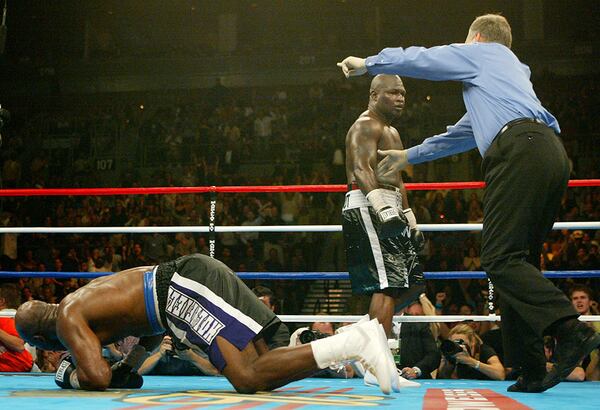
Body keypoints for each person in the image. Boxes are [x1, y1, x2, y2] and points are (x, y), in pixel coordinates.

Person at [337, 13, 600, 392]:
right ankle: (529, 368)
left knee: (498, 257)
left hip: (520, 152)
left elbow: (424, 58)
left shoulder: (483, 52)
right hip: (549, 155)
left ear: (475, 39)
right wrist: (409, 156)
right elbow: (462, 134)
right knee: (518, 260)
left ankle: (569, 329)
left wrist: (370, 63)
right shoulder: (508, 77)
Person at [15, 254, 398, 394]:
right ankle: (355, 341)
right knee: (270, 361)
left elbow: (96, 378)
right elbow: (148, 329)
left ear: (40, 338)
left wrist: (69, 375)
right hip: (190, 278)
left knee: (246, 378)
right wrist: (128, 367)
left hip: (180, 288)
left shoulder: (66, 316)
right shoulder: (86, 299)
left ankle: (354, 342)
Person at [342, 75, 425, 389]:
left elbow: (397, 179)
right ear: (374, 94)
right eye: (393, 92)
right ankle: (377, 366)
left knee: (412, 283)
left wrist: (409, 216)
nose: (401, 97)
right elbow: (360, 167)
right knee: (387, 286)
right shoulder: (365, 125)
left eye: (403, 93)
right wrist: (383, 208)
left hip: (390, 207)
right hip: (368, 204)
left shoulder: (393, 132)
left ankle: (360, 336)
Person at [438, 324, 505, 381]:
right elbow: (443, 377)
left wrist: (470, 361)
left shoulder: (484, 350)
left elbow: (500, 375)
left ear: (472, 342)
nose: (458, 346)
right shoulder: (453, 352)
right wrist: (446, 362)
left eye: (461, 342)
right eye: (455, 343)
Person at [0, 284, 34, 372]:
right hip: (12, 372)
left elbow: (19, 345)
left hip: (24, 372)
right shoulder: (20, 316)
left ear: (1, 301)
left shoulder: (7, 317)